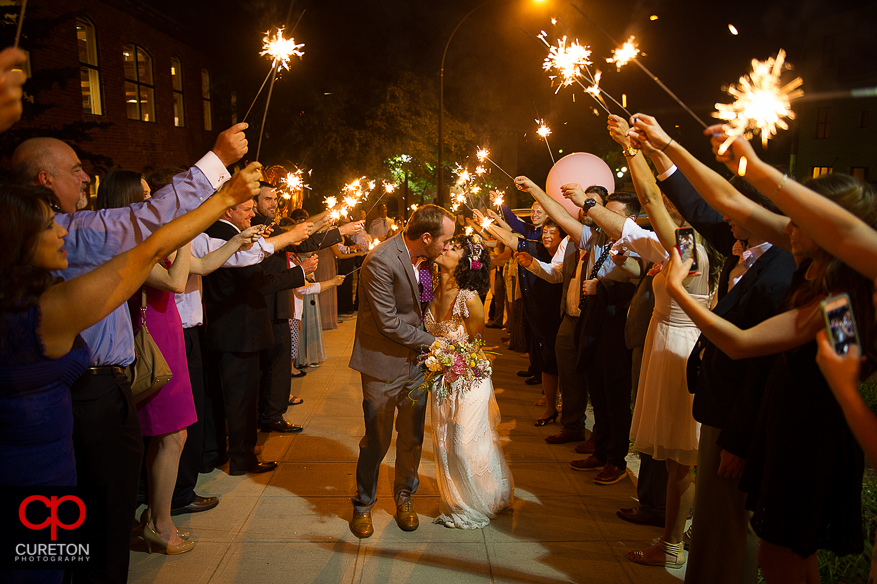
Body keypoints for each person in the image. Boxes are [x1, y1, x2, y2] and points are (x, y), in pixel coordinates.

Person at [630, 114, 877, 583]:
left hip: (812, 439)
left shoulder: (840, 305)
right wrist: (668, 145)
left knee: (784, 560)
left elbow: (759, 351)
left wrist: (846, 387)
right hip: (783, 429)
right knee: (775, 558)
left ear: (826, 231)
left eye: (801, 220)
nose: (788, 228)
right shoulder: (819, 277)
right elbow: (728, 200)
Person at [11, 123, 248, 583]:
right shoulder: (48, 313)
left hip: (57, 442)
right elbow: (149, 241)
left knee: (62, 546)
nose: (64, 233)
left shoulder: (27, 307)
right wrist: (219, 191)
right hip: (67, 430)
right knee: (82, 542)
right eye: (49, 226)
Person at [615, 113, 797, 582]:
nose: (724, 214)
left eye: (736, 207)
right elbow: (699, 202)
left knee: (751, 543)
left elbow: (754, 359)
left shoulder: (784, 278)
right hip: (718, 406)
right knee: (720, 529)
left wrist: (738, 439)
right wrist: (658, 149)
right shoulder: (748, 248)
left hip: (742, 420)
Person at [96, 170, 197, 554]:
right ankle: (160, 523)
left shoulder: (145, 238)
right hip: (151, 339)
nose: (152, 197)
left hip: (166, 332)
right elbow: (175, 281)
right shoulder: (127, 243)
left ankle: (156, 516)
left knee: (171, 435)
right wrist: (183, 234)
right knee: (171, 435)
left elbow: (195, 270)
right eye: (144, 193)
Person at [348, 204, 456, 539]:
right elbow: (389, 322)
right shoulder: (381, 260)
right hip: (382, 362)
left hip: (415, 362)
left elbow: (422, 308)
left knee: (410, 437)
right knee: (377, 439)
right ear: (426, 237)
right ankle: (363, 504)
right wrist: (434, 344)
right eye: (445, 240)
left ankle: (404, 496)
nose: (448, 246)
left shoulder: (425, 262)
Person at [427, 233, 514, 528]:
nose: (445, 248)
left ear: (464, 263)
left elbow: (479, 347)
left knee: (464, 441)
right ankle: (462, 498)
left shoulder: (469, 298)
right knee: (444, 441)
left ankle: (478, 501)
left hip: (470, 379)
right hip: (439, 378)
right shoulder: (431, 286)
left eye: (452, 248)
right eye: (446, 244)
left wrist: (455, 364)